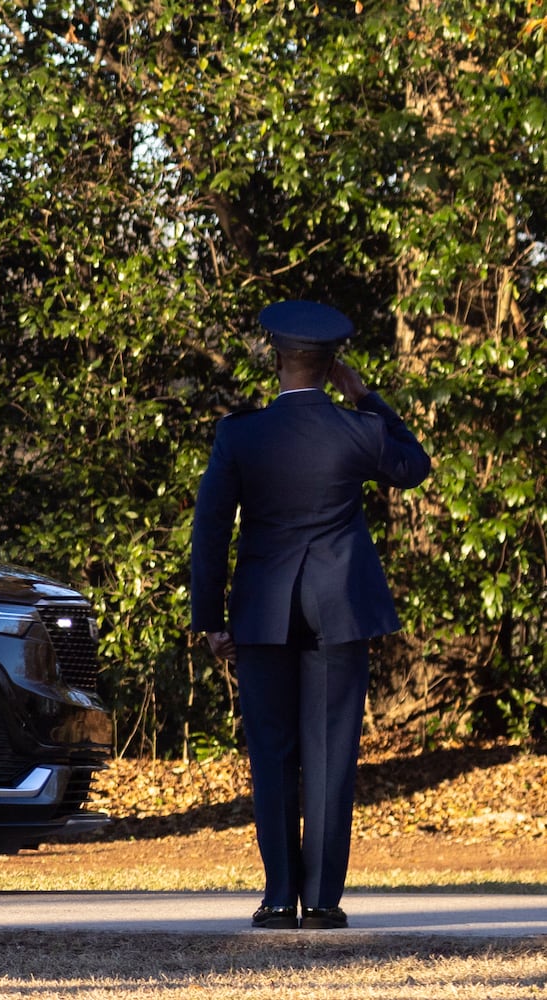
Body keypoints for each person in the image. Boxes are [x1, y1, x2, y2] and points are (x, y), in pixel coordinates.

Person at [189, 300, 431, 930]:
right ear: (333, 368)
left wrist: (210, 618)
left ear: (276, 360)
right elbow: (415, 467)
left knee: (270, 753)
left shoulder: (241, 433)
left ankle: (276, 899)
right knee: (329, 756)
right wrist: (370, 398)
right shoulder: (358, 429)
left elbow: (211, 529)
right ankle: (321, 901)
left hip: (263, 612)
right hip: (339, 609)